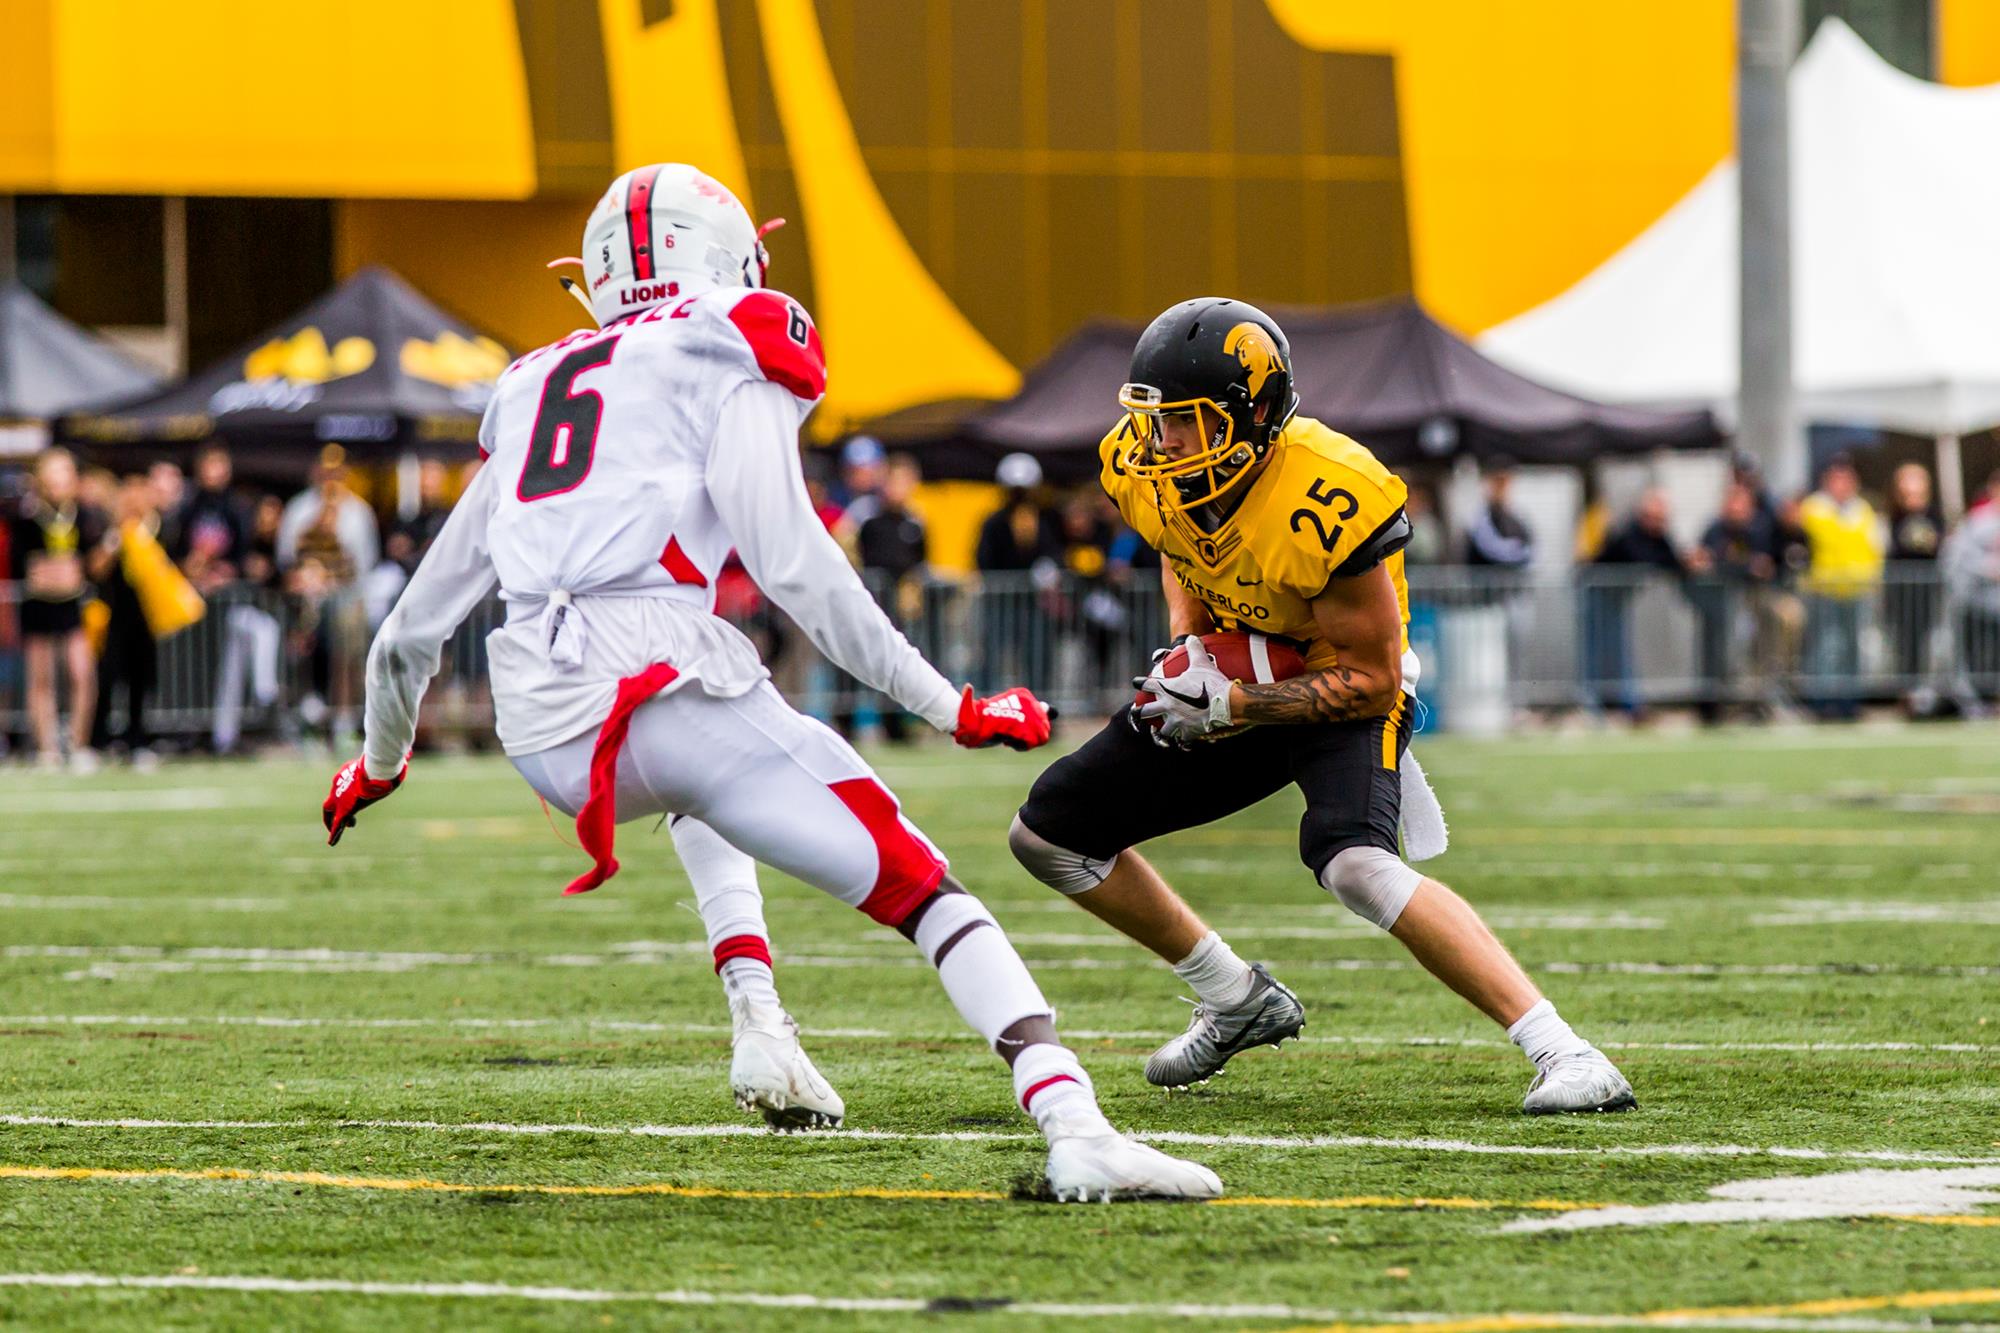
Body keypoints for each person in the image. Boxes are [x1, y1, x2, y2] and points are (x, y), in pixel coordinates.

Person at [321, 162, 1221, 1201]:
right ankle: (1075, 1121)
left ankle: (758, 1021)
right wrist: (946, 702)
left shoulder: (530, 382)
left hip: (543, 716)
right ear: (725, 255)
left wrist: (378, 762)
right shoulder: (726, 333)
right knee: (921, 885)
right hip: (654, 669)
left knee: (690, 773)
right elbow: (790, 558)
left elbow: (404, 638)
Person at [1006, 297, 1633, 1115]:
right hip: (1239, 669)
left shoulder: (1324, 495)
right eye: (1161, 424)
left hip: (1344, 689)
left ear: (1254, 415)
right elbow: (1176, 542)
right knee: (1048, 833)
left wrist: (1234, 703)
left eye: (1190, 423)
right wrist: (1188, 644)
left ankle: (1565, 1049)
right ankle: (1233, 996)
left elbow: (1372, 677)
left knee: (1356, 864)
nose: (1167, 444)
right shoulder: (1143, 462)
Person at [8, 448, 105, 771]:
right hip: (38, 607)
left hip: (71, 607)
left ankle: (78, 744)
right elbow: (30, 570)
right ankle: (47, 748)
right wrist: (60, 573)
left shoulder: (83, 516)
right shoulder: (27, 516)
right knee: (41, 679)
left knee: (82, 673)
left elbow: (89, 567)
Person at [1581, 489, 1695, 718]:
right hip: (1596, 593)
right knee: (1597, 649)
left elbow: (1671, 561)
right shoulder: (1629, 533)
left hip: (1617, 597)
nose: (1658, 523)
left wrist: (1687, 562)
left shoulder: (1657, 535)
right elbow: (1644, 559)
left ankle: (1626, 701)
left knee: (1619, 647)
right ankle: (1596, 703)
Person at [846, 453, 930, 742]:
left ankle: (896, 724)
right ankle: (847, 723)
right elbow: (850, 553)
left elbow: (921, 562)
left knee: (897, 663)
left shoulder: (915, 521)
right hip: (868, 602)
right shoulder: (866, 517)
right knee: (855, 662)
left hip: (899, 606)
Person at [1797, 456, 1884, 721]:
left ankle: (1850, 700)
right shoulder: (1814, 508)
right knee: (1823, 646)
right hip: (1823, 588)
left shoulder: (1862, 509)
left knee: (1852, 647)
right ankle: (1822, 700)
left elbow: (1873, 548)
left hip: (1857, 589)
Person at [87, 474, 163, 765]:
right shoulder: (113, 531)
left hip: (146, 618)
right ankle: (98, 739)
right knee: (107, 678)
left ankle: (138, 739)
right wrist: (117, 539)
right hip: (115, 615)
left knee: (141, 681)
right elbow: (96, 568)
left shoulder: (157, 528)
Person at [974, 452, 1063, 693]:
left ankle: (1040, 709)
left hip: (1035, 604)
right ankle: (988, 710)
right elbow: (983, 559)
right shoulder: (994, 522)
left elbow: (1056, 552)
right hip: (1000, 603)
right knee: (993, 658)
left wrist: (1049, 569)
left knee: (1038, 656)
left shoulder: (1045, 520)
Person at [1883, 463, 1943, 708]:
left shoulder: (1933, 513)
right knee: (1904, 642)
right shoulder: (1895, 514)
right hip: (1901, 591)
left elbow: (1935, 545)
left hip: (1926, 590)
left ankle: (1921, 691)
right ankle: (1906, 691)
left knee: (1924, 639)